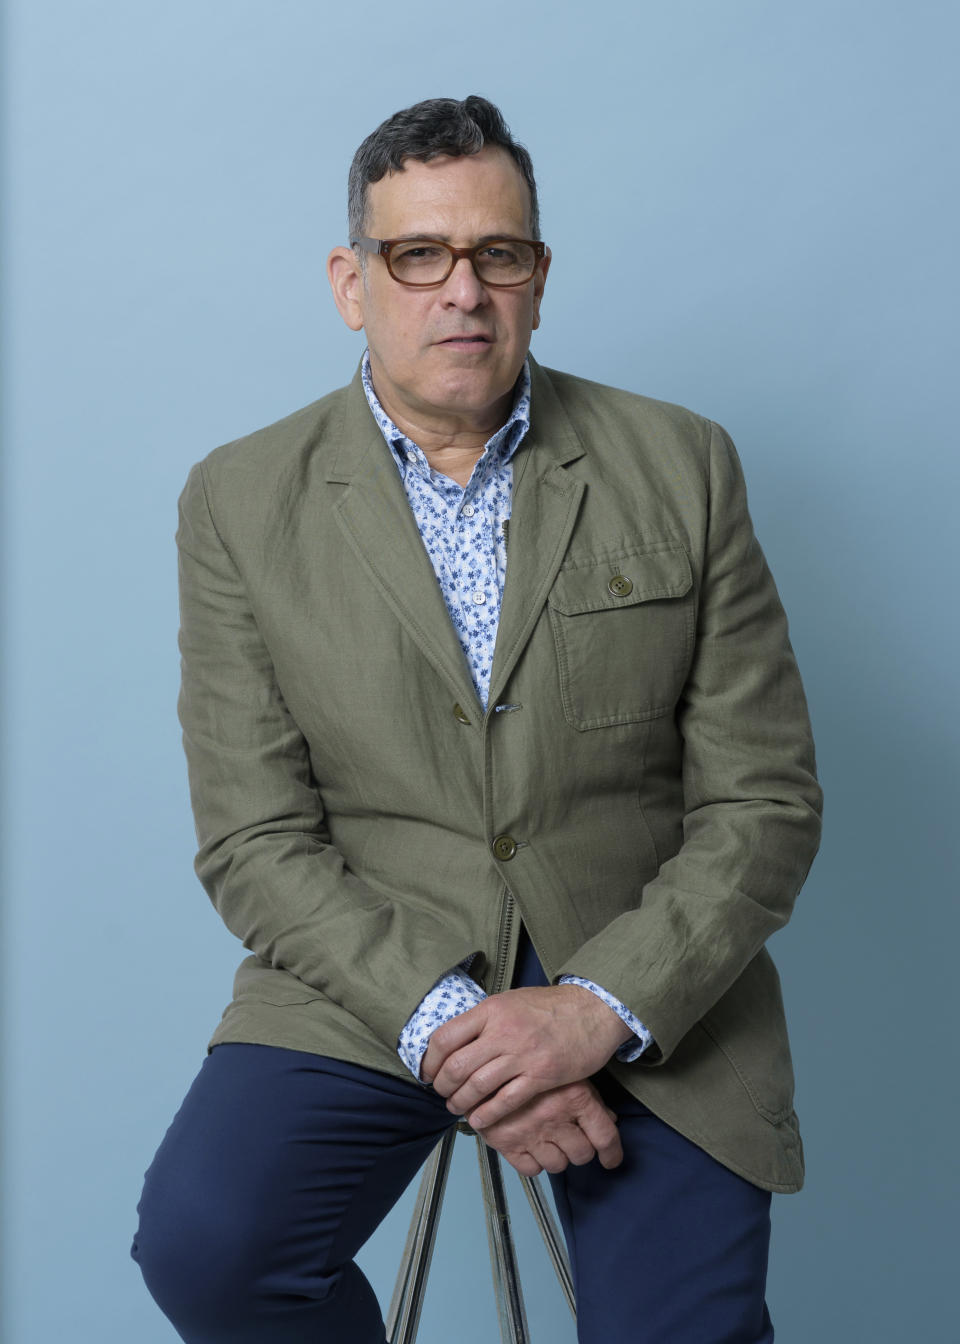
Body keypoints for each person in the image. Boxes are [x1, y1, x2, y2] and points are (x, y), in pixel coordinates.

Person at [130, 95, 822, 1343]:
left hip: (645, 971)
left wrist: (598, 1005)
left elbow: (762, 803)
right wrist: (459, 1034)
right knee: (208, 1248)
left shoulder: (684, 464)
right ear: (354, 281)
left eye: (498, 256)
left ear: (539, 279)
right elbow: (254, 839)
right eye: (420, 256)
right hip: (368, 979)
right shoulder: (238, 500)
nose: (464, 292)